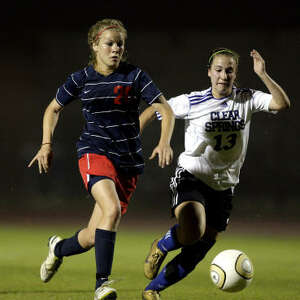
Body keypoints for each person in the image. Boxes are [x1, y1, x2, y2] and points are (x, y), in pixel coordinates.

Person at [28, 18, 174, 300]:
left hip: (128, 161)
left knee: (93, 236)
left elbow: (164, 109)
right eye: (109, 43)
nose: (116, 48)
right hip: (94, 152)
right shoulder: (81, 79)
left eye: (120, 44)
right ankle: (102, 284)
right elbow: (53, 109)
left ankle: (57, 248)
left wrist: (164, 141)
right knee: (112, 210)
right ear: (95, 45)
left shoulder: (135, 76)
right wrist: (46, 144)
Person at [139, 48, 290, 300]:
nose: (223, 75)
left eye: (229, 70)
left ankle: (153, 290)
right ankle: (162, 244)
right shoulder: (193, 100)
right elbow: (152, 111)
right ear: (209, 72)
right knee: (193, 231)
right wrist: (152, 141)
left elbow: (282, 103)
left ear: (236, 73)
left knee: (198, 250)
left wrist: (263, 74)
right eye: (218, 70)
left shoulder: (247, 98)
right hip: (192, 176)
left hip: (224, 187)